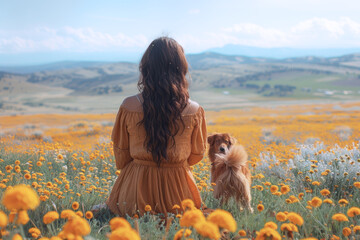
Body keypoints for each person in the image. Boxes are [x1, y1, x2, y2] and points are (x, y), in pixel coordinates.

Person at [106, 37, 207, 217]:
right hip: (179, 196)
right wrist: (173, 163)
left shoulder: (128, 106)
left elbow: (121, 156)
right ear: (181, 68)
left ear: (146, 68)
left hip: (134, 194)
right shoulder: (194, 110)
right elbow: (196, 155)